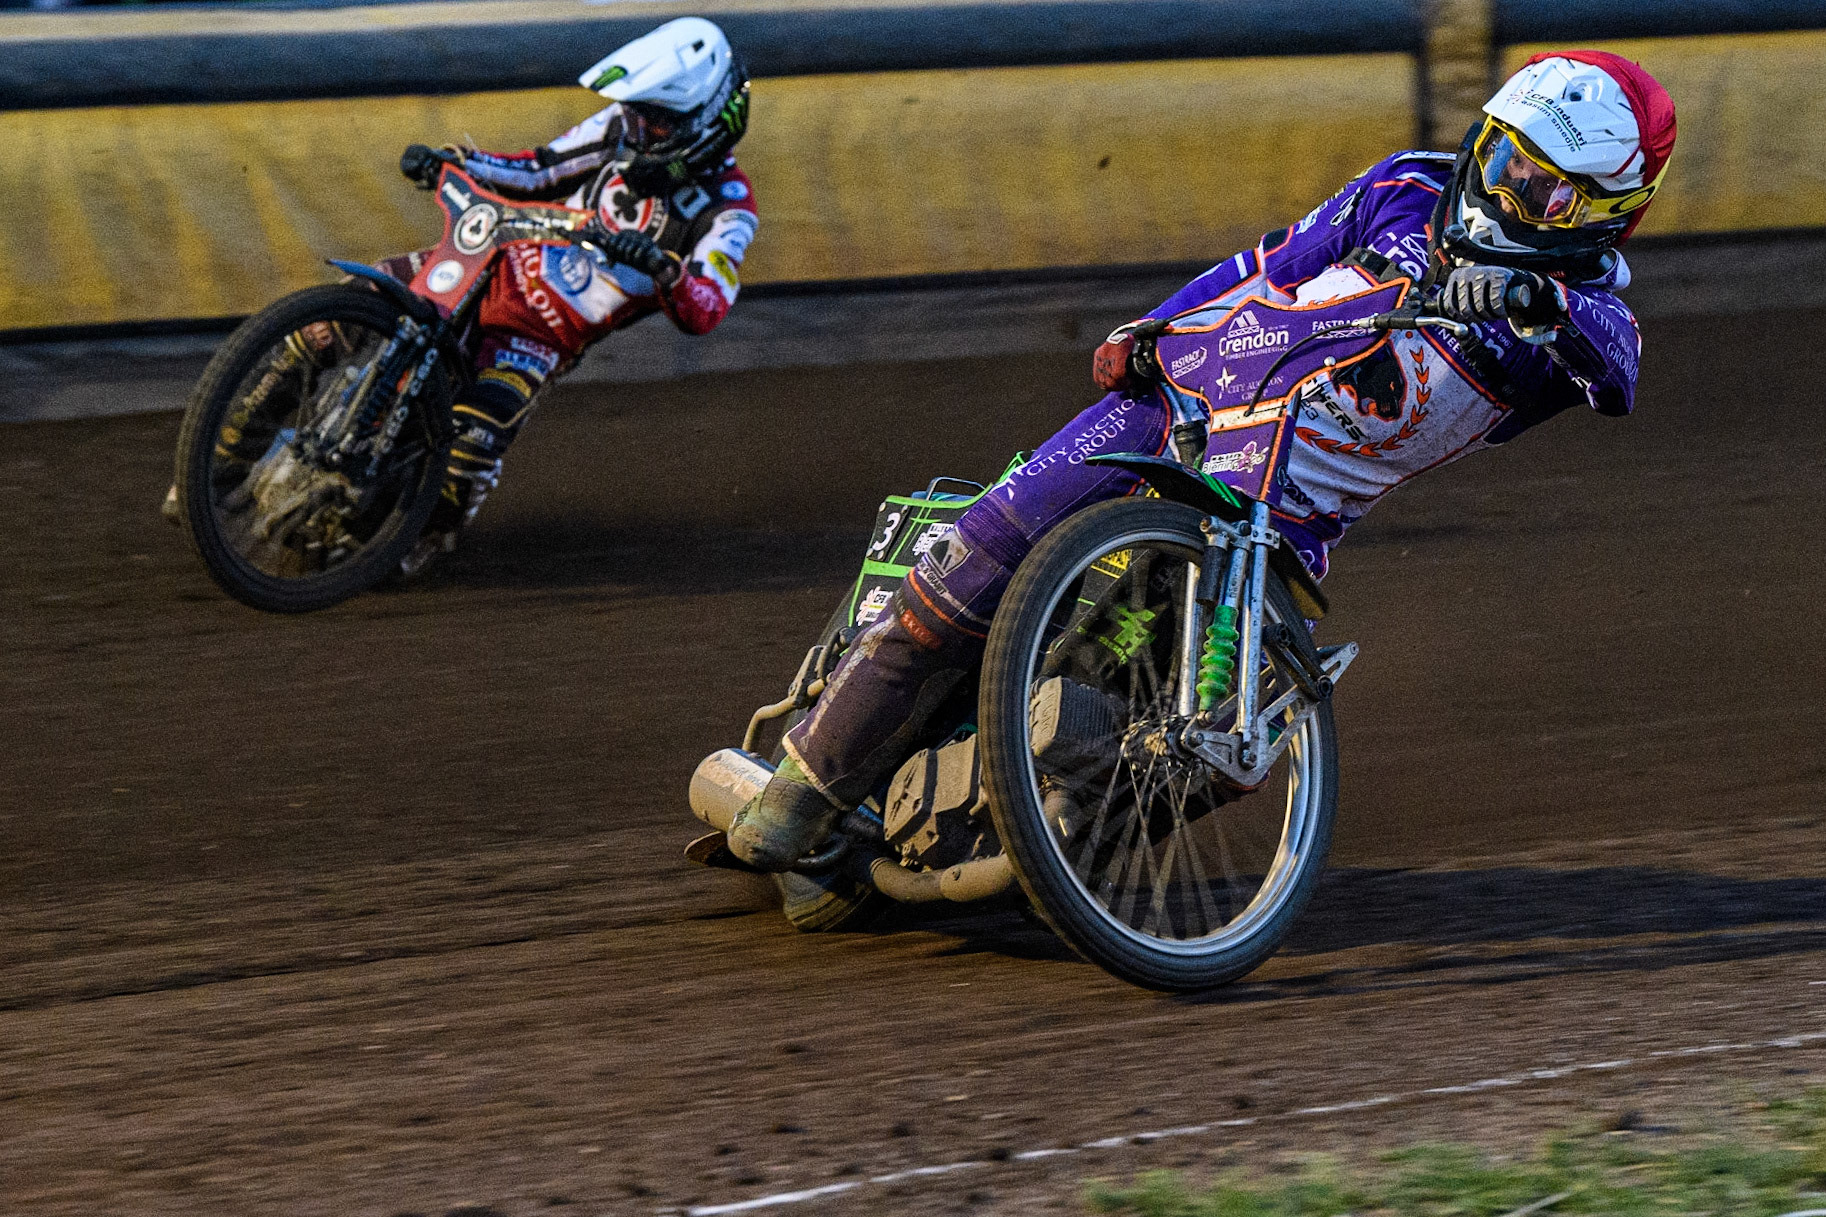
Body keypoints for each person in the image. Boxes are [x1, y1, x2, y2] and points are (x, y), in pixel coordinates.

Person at [727, 50, 1677, 870]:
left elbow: (1616, 369)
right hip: (1175, 402)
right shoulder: (1410, 185)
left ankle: (1049, 848)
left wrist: (1532, 297)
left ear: (1607, 214)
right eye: (1502, 154)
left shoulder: (1578, 323)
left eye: (1540, 185)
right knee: (981, 550)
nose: (1504, 188)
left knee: (1216, 733)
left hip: (1284, 521)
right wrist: (1150, 325)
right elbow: (1265, 266)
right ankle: (804, 785)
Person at [164, 17, 760, 570]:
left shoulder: (729, 211)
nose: (638, 128)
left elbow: (708, 305)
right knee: (326, 321)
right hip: (485, 261)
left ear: (707, 122)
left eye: (656, 120)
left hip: (536, 338)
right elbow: (535, 169)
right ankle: (215, 470)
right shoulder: (618, 130)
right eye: (636, 113)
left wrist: (665, 270)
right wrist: (458, 161)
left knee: (471, 444)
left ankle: (413, 540)